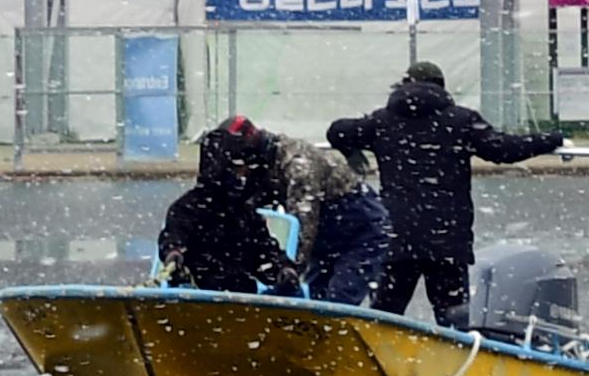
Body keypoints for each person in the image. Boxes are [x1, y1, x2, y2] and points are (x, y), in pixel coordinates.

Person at [325, 59, 563, 326]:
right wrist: (551, 140)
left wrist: (353, 153)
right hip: (446, 239)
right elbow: (503, 149)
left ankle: (378, 363)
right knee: (453, 319)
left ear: (405, 85)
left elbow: (337, 131)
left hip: (397, 235)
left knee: (384, 317)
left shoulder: (382, 120)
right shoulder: (460, 121)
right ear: (442, 87)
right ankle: (454, 363)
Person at [158, 116, 302, 296]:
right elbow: (173, 238)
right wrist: (174, 255)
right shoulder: (187, 209)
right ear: (219, 168)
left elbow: (266, 253)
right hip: (195, 297)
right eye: (237, 169)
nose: (242, 177)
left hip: (241, 301)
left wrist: (284, 270)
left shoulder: (245, 214)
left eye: (245, 171)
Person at [299, 149, 393, 306]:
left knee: (339, 300)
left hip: (362, 229)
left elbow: (305, 221)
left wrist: (295, 265)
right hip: (333, 231)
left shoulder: (302, 175)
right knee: (316, 299)